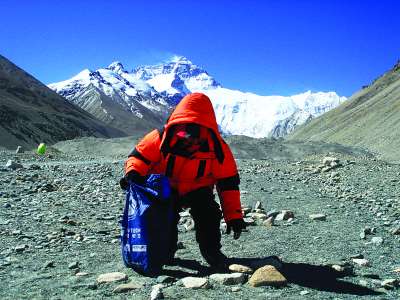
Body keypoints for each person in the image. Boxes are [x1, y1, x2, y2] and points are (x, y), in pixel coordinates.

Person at [121, 92, 246, 269]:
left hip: (198, 191)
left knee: (208, 215)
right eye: (185, 134)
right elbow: (139, 158)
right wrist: (133, 173)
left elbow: (228, 183)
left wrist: (234, 216)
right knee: (164, 218)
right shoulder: (161, 136)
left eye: (195, 137)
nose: (190, 141)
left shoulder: (218, 147)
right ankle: (165, 253)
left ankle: (212, 253)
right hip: (165, 188)